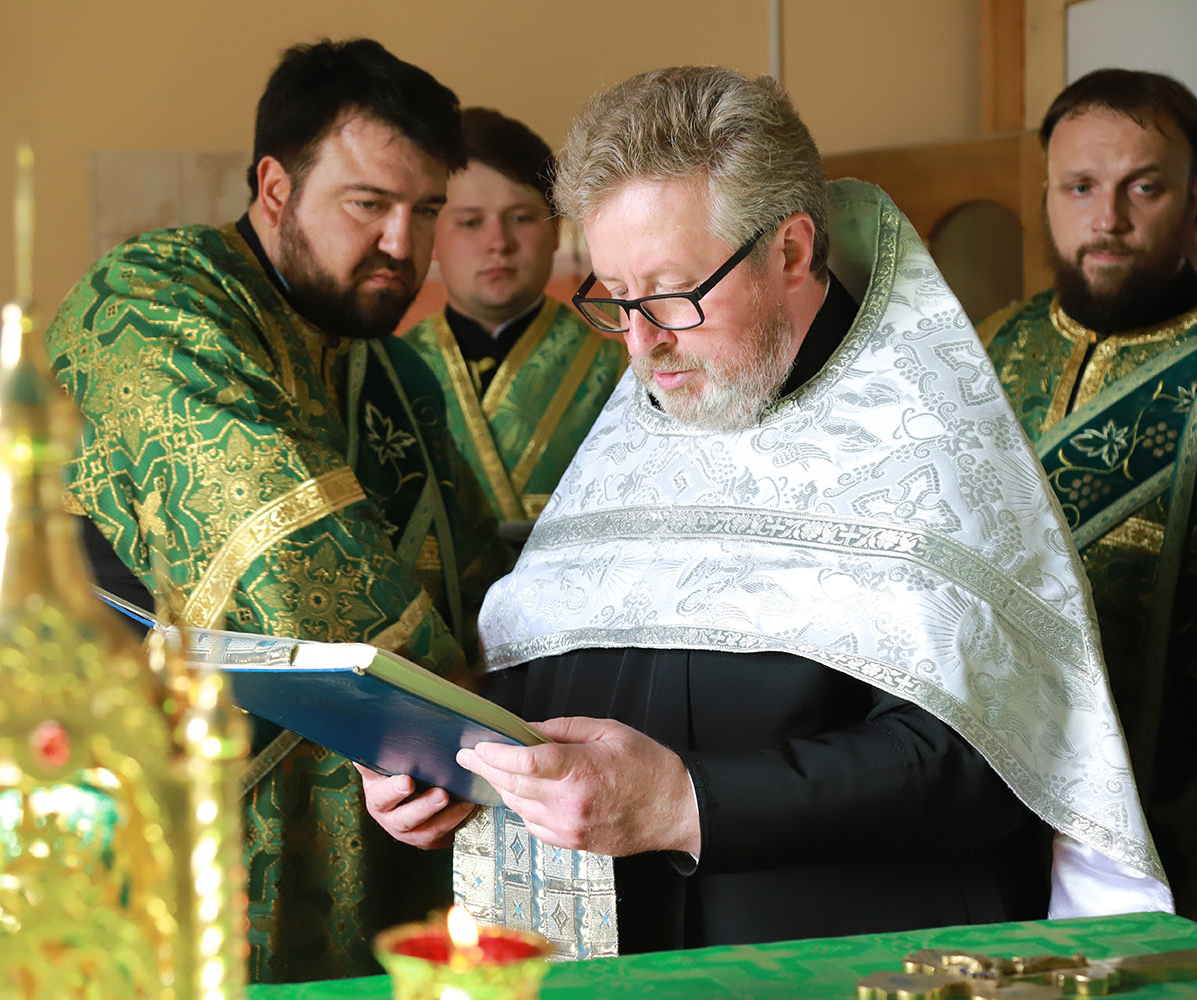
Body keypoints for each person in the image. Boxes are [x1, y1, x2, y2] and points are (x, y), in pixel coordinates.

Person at [365, 65, 1172, 958]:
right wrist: (450, 762)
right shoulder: (645, 412)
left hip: (847, 961)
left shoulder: (925, 444)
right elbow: (550, 674)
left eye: (671, 294)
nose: (642, 345)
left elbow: (992, 759)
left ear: (790, 250)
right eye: (615, 298)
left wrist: (685, 802)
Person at [45, 38, 506, 983]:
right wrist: (474, 742)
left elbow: (472, 583)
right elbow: (287, 552)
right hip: (189, 839)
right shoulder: (151, 300)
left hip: (391, 831)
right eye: (368, 204)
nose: (403, 246)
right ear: (274, 188)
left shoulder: (388, 365)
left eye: (425, 211)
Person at [979, 68, 1197, 918]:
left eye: (1144, 188)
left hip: (1171, 808)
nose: (1107, 220)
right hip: (998, 792)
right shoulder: (987, 348)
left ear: (1190, 197)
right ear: (1047, 195)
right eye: (1080, 187)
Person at [402, 108, 624, 526]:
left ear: (556, 229)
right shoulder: (393, 371)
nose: (498, 242)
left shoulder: (617, 373)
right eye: (470, 222)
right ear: (431, 235)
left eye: (520, 218)